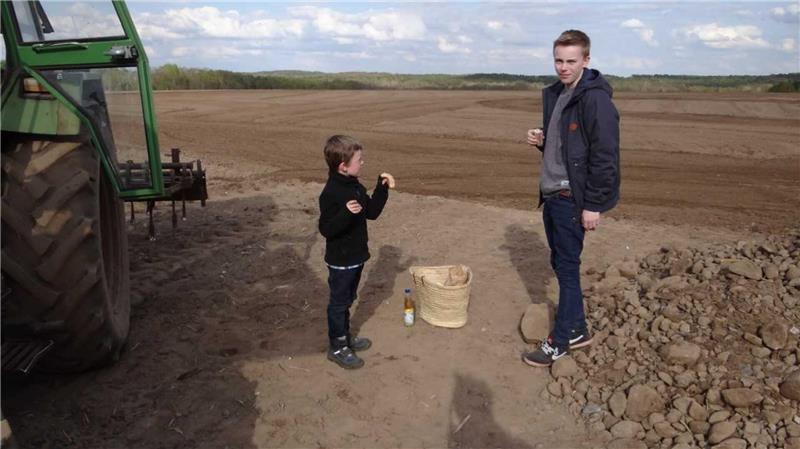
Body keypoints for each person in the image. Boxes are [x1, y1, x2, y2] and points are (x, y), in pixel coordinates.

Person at [523, 30, 620, 367]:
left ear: (586, 61)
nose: (563, 67)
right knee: (561, 263)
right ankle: (578, 329)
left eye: (570, 61)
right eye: (558, 60)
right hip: (552, 194)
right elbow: (568, 145)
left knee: (566, 269)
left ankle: (559, 340)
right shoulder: (559, 94)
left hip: (570, 198)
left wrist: (593, 204)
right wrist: (542, 140)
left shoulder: (595, 101)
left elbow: (604, 157)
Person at [318, 135, 394, 369]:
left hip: (357, 256)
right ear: (343, 166)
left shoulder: (355, 186)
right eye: (359, 160)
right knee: (339, 304)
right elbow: (326, 229)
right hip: (340, 261)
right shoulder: (331, 193)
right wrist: (345, 214)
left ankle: (346, 337)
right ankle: (337, 346)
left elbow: (371, 212)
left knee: (348, 299)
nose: (362, 163)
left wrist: (382, 188)